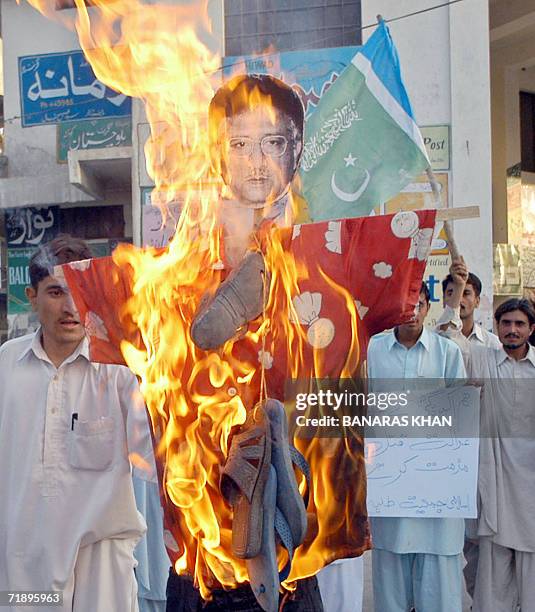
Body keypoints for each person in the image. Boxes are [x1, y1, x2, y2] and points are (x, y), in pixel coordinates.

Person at [59, 78, 437, 611]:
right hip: (201, 558)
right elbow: (75, 307)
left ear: (297, 149)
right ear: (216, 152)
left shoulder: (336, 260)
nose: (257, 161)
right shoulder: (168, 275)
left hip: (293, 557)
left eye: (272, 142)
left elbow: (407, 278)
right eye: (239, 144)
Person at [0, 235, 152, 612]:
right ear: (32, 297)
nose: (70, 307)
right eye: (55, 292)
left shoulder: (120, 370)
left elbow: (156, 455)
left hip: (101, 567)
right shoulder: (6, 365)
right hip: (24, 564)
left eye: (78, 292)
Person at [367, 282, 467, 612]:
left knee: (438, 581)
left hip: (435, 483)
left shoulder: (447, 353)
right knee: (390, 576)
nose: (412, 312)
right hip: (389, 480)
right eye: (406, 306)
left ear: (427, 308)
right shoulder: (372, 350)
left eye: (419, 304)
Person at [465, 298, 535, 612]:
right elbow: (450, 337)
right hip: (494, 482)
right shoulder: (481, 361)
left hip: (531, 487)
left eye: (519, 324)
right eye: (505, 324)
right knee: (492, 575)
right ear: (496, 327)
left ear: (531, 329)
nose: (512, 330)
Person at [441, 270, 500, 349]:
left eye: (466, 293)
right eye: (452, 293)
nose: (459, 299)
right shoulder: (435, 341)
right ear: (443, 300)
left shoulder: (492, 344)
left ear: (477, 301)